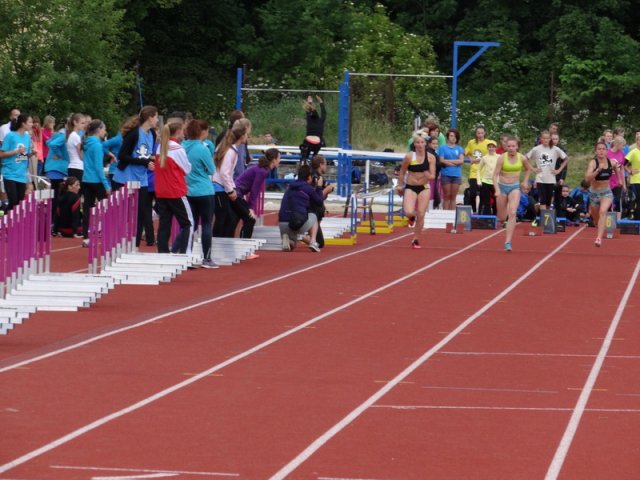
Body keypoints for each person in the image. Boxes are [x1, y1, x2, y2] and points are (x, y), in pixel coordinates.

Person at [113, 105, 158, 247]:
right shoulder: (134, 134)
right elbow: (122, 156)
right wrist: (144, 162)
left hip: (142, 179)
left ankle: (136, 244)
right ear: (150, 118)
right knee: (124, 213)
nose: (157, 120)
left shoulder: (153, 134)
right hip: (125, 177)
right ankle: (118, 242)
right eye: (156, 117)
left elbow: (147, 155)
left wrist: (150, 161)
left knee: (142, 213)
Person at [154, 120, 193, 254]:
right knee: (188, 223)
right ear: (178, 132)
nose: (183, 133)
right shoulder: (177, 148)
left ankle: (162, 252)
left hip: (161, 191)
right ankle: (185, 253)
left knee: (164, 223)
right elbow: (187, 169)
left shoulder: (160, 147)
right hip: (176, 191)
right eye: (182, 131)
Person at [184, 119, 217, 268]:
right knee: (206, 225)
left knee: (190, 225)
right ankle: (207, 258)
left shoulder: (182, 147)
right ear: (201, 132)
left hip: (188, 190)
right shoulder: (203, 148)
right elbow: (211, 169)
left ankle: (188, 255)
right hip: (204, 190)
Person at [492, 136, 533, 251]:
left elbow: (528, 169)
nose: (511, 148)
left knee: (513, 212)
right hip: (502, 187)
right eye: (509, 146)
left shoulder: (522, 158)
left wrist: (525, 181)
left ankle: (508, 241)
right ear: (506, 147)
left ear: (517, 147)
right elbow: (495, 175)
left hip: (515, 187)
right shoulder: (501, 158)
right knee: (501, 217)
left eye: (513, 146)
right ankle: (502, 221)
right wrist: (497, 189)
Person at [396, 131, 436, 248]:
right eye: (417, 142)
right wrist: (399, 185)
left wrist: (429, 176)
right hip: (411, 186)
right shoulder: (409, 156)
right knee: (408, 211)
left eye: (422, 142)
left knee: (421, 214)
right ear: (414, 144)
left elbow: (433, 175)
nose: (419, 145)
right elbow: (402, 171)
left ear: (425, 144)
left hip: (424, 187)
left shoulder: (431, 157)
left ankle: (416, 239)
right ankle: (411, 217)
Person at [212, 120, 250, 237]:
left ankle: (221, 240)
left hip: (221, 186)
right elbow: (224, 172)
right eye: (247, 135)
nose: (248, 137)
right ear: (242, 136)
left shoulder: (229, 148)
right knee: (221, 217)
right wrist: (230, 190)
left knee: (227, 216)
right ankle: (216, 241)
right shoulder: (231, 151)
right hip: (218, 187)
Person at [235, 148, 282, 242]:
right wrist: (251, 208)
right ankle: (244, 244)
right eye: (279, 158)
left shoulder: (262, 169)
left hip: (237, 192)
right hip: (236, 193)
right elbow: (255, 189)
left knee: (235, 219)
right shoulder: (262, 171)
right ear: (273, 160)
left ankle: (238, 244)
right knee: (250, 219)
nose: (280, 160)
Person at [278, 164, 323, 252]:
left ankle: (288, 240)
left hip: (282, 223)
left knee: (293, 244)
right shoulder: (308, 188)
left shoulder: (290, 187)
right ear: (309, 176)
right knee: (314, 215)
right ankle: (313, 241)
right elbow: (319, 202)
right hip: (296, 222)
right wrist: (319, 187)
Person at [586, 141, 624, 246]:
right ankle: (599, 228)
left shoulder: (611, 162)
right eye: (599, 149)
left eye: (603, 149)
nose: (601, 151)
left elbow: (617, 168)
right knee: (596, 220)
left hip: (606, 192)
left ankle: (598, 238)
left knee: (603, 211)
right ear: (596, 151)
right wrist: (597, 171)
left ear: (607, 151)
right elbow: (587, 179)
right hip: (594, 193)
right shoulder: (593, 163)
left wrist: (619, 179)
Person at [81, 119, 111, 245]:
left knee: (88, 207)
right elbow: (99, 167)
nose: (105, 132)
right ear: (98, 130)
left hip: (86, 179)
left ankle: (86, 236)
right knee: (106, 207)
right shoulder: (97, 145)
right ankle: (106, 232)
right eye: (104, 129)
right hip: (96, 180)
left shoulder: (87, 143)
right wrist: (106, 185)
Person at [526, 130, 568, 210]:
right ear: (541, 138)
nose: (545, 140)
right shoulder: (536, 149)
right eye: (544, 138)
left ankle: (547, 217)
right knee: (543, 199)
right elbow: (525, 158)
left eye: (547, 138)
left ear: (550, 139)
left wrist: (558, 170)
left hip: (551, 178)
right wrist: (532, 168)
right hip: (540, 178)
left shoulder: (555, 149)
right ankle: (543, 220)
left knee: (548, 200)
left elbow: (566, 159)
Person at [0, 113, 33, 210]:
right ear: (23, 123)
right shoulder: (10, 136)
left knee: (18, 203)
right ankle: (5, 222)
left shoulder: (27, 137)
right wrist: (16, 151)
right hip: (10, 173)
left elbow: (22, 156)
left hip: (21, 175)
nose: (32, 124)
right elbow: (1, 154)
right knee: (13, 201)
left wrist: (30, 154)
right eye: (30, 122)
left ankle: (12, 223)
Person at [308, 154, 334, 248]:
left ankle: (307, 235)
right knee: (320, 243)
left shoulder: (319, 176)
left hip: (315, 211)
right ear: (320, 165)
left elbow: (322, 198)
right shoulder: (315, 177)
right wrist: (326, 190)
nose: (326, 167)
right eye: (325, 164)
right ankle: (300, 236)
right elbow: (316, 198)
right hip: (311, 211)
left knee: (320, 243)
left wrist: (326, 191)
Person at [464, 126, 492, 213]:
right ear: (476, 134)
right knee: (472, 193)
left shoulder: (489, 143)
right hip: (474, 171)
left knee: (483, 195)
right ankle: (474, 209)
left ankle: (480, 212)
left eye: (481, 133)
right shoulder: (471, 142)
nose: (480, 135)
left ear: (484, 133)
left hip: (485, 172)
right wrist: (471, 159)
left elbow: (492, 154)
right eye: (478, 133)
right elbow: (466, 152)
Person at [437, 128, 465, 210]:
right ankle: (445, 215)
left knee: (453, 196)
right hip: (446, 174)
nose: (453, 138)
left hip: (456, 175)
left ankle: (452, 215)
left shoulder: (459, 148)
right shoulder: (442, 148)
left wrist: (448, 161)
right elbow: (441, 159)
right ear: (448, 137)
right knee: (446, 196)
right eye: (451, 136)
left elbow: (461, 160)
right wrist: (454, 162)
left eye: (455, 136)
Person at [301, 95, 326, 162]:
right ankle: (313, 160)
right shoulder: (321, 120)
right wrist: (321, 102)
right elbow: (324, 113)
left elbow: (308, 111)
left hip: (308, 141)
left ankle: (303, 160)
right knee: (315, 157)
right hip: (317, 143)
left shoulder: (309, 119)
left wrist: (309, 103)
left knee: (304, 156)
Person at [477, 140, 499, 215]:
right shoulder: (484, 158)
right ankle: (483, 216)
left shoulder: (499, 157)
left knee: (497, 200)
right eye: (489, 147)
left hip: (496, 182)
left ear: (495, 148)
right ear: (487, 148)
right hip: (485, 181)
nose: (491, 148)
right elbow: (478, 169)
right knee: (485, 200)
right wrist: (479, 181)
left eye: (493, 147)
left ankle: (496, 216)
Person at [608, 136, 627, 219]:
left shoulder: (622, 154)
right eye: (622, 145)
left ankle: (618, 220)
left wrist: (624, 183)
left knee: (618, 200)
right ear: (617, 144)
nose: (623, 147)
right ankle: (608, 219)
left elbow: (622, 168)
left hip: (618, 181)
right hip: (608, 180)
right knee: (608, 200)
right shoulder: (607, 153)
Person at [66, 113, 87, 182]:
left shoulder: (72, 135)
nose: (84, 125)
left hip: (74, 166)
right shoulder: (75, 137)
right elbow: (81, 156)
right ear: (75, 122)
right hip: (77, 167)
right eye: (82, 123)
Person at [624, 141, 640, 220]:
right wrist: (630, 171)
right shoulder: (633, 152)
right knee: (636, 200)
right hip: (636, 180)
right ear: (637, 141)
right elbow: (624, 164)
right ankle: (635, 217)